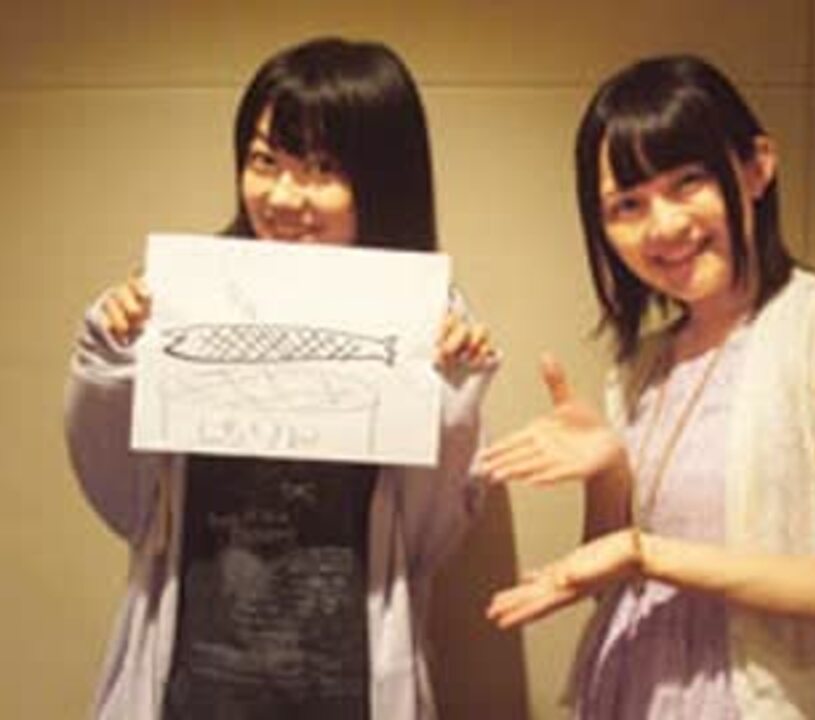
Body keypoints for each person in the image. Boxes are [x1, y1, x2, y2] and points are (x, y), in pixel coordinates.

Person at [481, 54, 815, 718]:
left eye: (688, 182)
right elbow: (609, 581)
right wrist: (609, 471)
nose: (663, 227)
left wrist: (650, 555)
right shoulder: (641, 364)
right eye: (628, 205)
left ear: (756, 168)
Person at [65, 37, 497, 720]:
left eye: (322, 168)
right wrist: (111, 357)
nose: (284, 197)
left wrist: (454, 396)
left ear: (382, 179)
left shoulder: (426, 324)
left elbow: (429, 539)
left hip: (350, 688)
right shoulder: (184, 299)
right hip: (191, 685)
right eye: (265, 161)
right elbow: (125, 500)